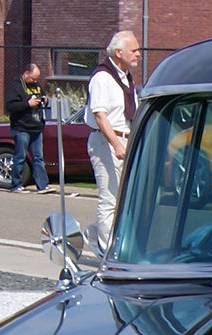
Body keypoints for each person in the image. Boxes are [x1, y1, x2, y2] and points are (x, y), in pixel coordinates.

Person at [86, 31, 140, 246]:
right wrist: (117, 145)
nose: (138, 54)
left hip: (125, 140)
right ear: (119, 52)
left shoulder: (125, 77)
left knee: (125, 199)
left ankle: (94, 234)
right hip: (106, 142)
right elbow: (100, 115)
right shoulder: (102, 78)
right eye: (133, 50)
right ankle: (108, 254)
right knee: (110, 199)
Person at [4, 63, 50, 194]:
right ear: (26, 74)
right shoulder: (15, 87)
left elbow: (42, 95)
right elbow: (10, 106)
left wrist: (44, 100)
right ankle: (16, 184)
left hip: (36, 126)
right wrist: (27, 104)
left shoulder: (36, 86)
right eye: (33, 78)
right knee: (20, 156)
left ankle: (42, 185)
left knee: (38, 157)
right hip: (21, 127)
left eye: (37, 79)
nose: (35, 81)